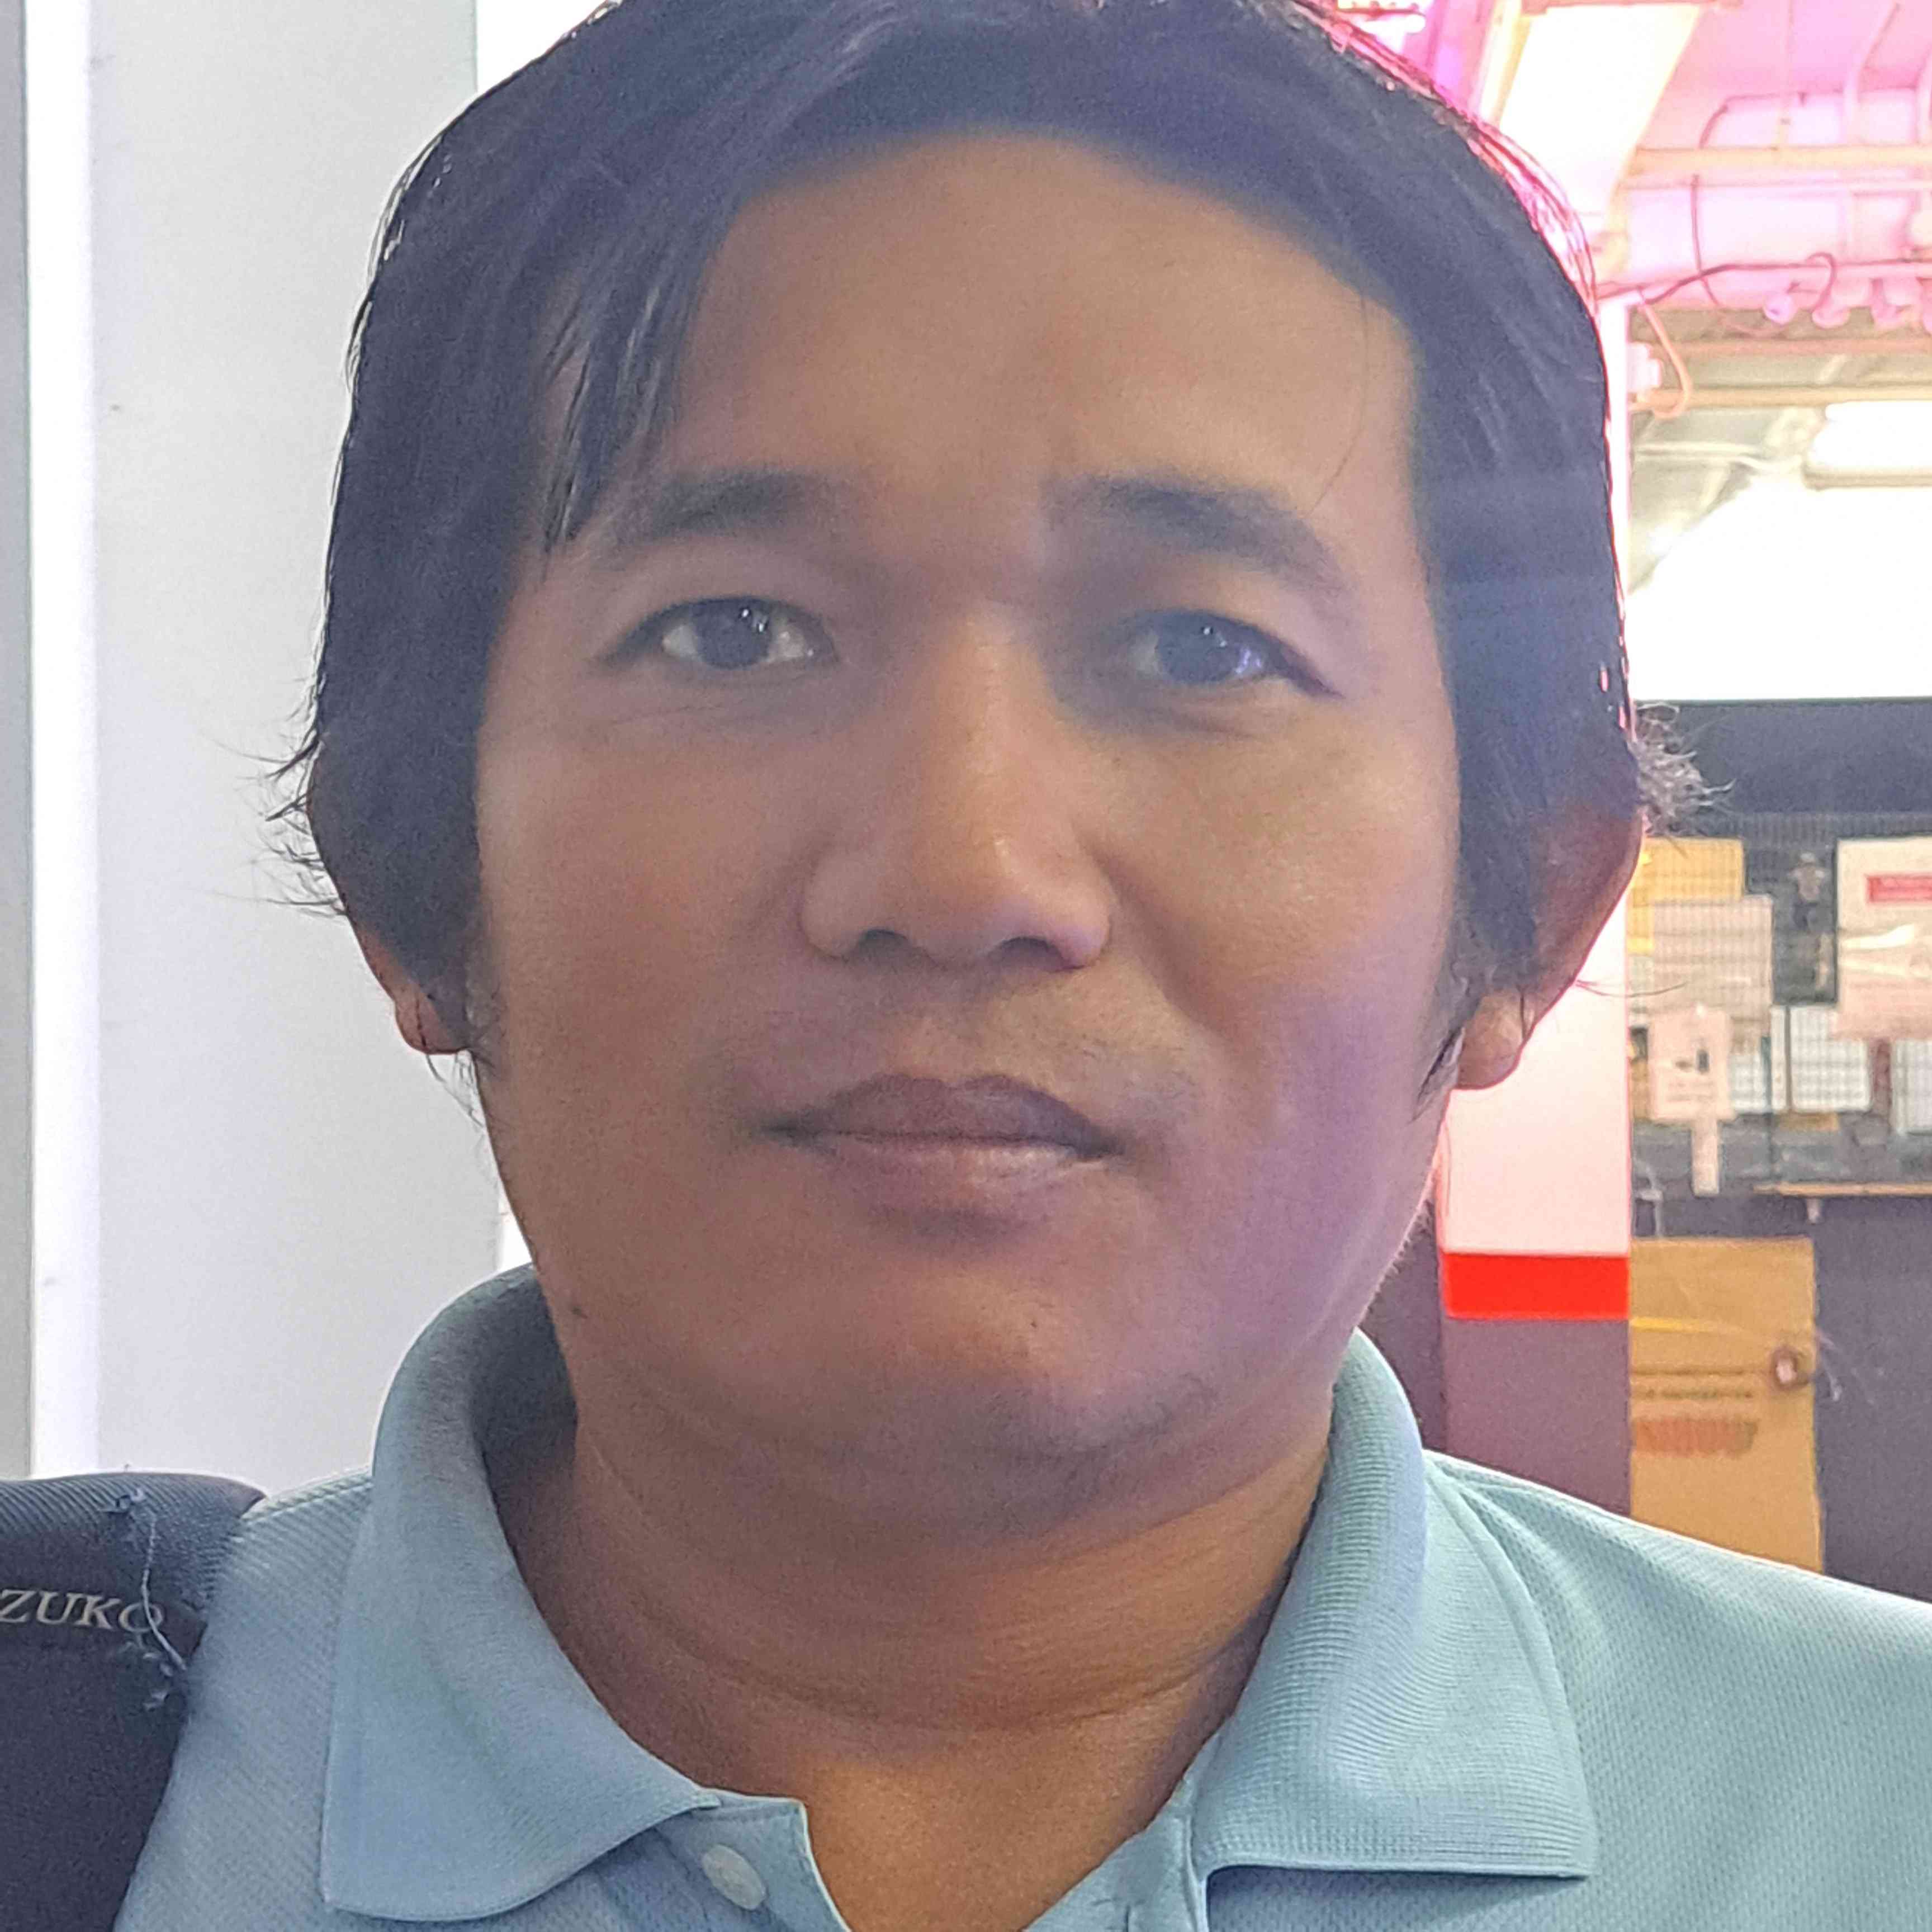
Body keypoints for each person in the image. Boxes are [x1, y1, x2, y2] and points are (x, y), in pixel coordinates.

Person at [118, 2, 1932, 1928]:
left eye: (1203, 649)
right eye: (731, 631)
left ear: (1535, 910)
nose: (961, 868)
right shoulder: (75, 1791)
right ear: (412, 874)